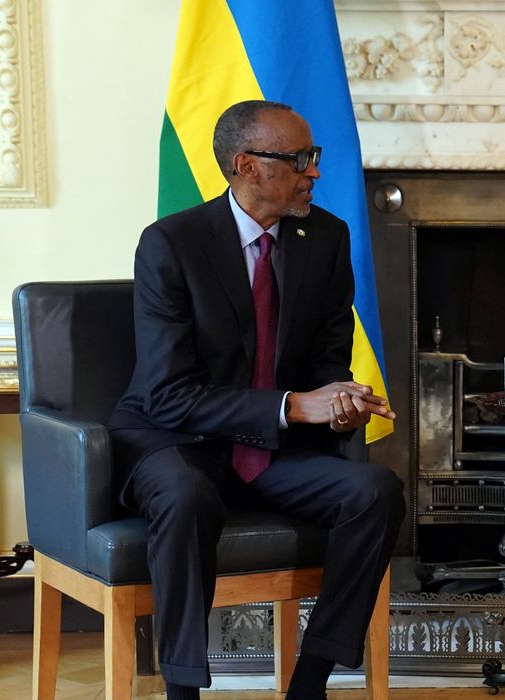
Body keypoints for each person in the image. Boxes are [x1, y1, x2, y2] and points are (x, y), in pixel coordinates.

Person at [109, 100, 406, 700]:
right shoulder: (172, 244)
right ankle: (184, 689)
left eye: (313, 158)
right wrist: (295, 406)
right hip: (178, 441)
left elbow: (326, 357)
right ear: (246, 165)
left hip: (272, 451)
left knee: (376, 492)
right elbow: (168, 395)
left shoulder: (325, 237)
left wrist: (340, 397)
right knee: (188, 495)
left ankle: (311, 681)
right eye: (299, 160)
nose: (314, 173)